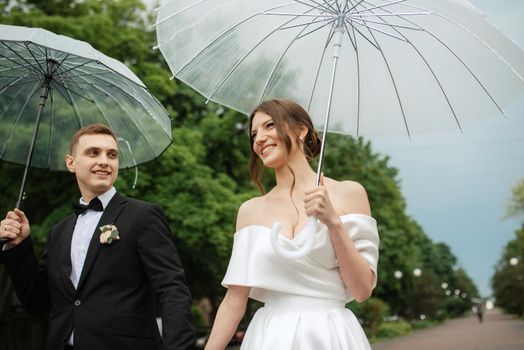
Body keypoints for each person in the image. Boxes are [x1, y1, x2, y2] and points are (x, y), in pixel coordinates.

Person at [0, 123, 196, 350]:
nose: (104, 161)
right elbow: (37, 302)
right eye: (93, 152)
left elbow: (173, 289)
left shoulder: (143, 216)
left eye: (111, 155)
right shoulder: (58, 231)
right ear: (71, 163)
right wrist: (18, 246)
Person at [204, 99, 379, 349]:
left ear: (301, 129)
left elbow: (362, 290)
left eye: (269, 126)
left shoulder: (348, 194)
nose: (259, 139)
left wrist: (333, 223)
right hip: (270, 337)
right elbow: (234, 301)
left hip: (329, 335)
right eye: (254, 134)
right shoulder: (249, 211)